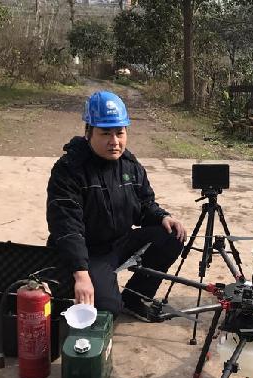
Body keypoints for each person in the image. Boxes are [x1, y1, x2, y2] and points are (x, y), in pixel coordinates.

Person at [46, 90, 186, 320]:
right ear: (88, 133)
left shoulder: (129, 164)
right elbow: (66, 227)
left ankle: (134, 298)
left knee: (172, 235)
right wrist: (81, 274)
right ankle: (96, 288)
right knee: (107, 309)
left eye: (120, 133)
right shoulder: (69, 169)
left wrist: (162, 217)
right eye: (105, 133)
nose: (114, 142)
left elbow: (145, 204)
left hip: (120, 242)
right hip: (88, 252)